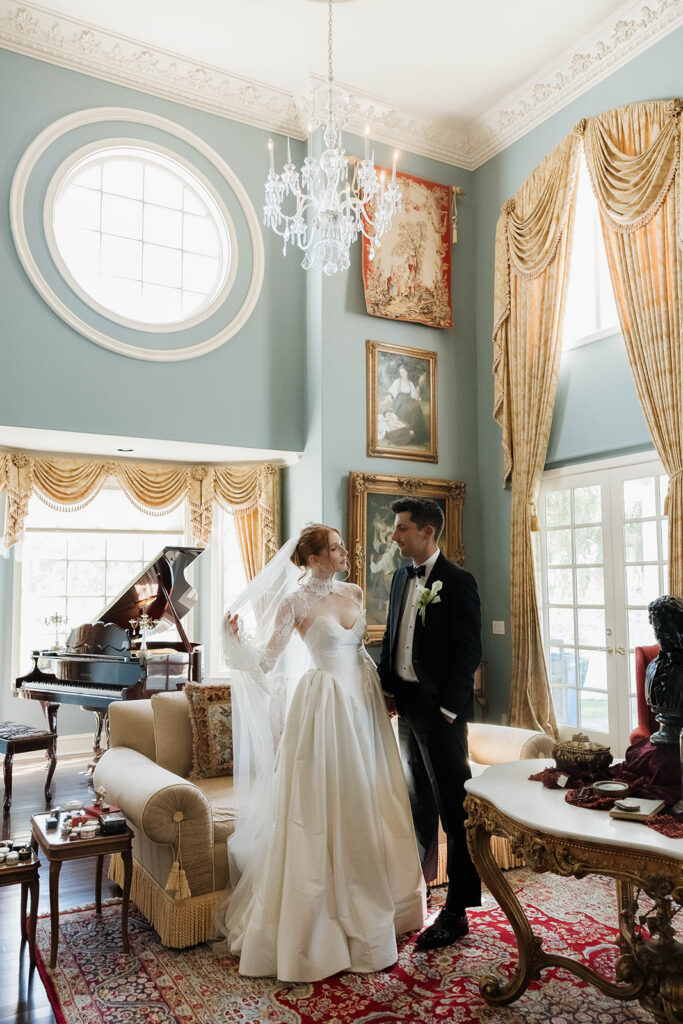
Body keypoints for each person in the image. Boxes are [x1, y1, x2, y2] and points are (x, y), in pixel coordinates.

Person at [217, 524, 425, 982]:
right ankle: (321, 927)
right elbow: (266, 662)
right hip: (326, 710)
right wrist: (235, 640)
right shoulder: (295, 603)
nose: (344, 551)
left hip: (365, 707)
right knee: (326, 807)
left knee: (373, 798)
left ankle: (385, 906)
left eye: (341, 545)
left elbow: (360, 651)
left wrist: (384, 692)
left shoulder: (351, 590)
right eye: (334, 547)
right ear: (313, 558)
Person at [378, 497, 482, 950]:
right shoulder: (402, 576)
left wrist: (447, 711)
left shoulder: (458, 582)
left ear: (427, 533)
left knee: (455, 811)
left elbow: (468, 653)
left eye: (402, 528)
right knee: (417, 802)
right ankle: (421, 892)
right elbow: (391, 636)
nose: (395, 536)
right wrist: (387, 689)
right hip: (406, 707)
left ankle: (457, 911)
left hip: (440, 713)